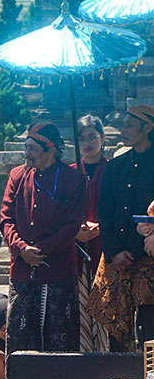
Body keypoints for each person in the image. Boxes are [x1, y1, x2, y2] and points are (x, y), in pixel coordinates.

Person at [0, 122, 87, 354]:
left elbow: (72, 225)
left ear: (50, 150)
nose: (26, 153)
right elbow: (5, 220)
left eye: (31, 148)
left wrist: (39, 251)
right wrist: (21, 249)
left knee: (60, 337)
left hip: (58, 269)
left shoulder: (74, 180)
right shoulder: (17, 176)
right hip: (22, 270)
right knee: (20, 337)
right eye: (25, 147)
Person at [89, 105, 154, 351]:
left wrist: (137, 248)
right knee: (116, 330)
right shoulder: (116, 167)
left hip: (148, 257)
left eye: (129, 124)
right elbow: (105, 213)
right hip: (117, 258)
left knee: (149, 327)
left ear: (147, 128)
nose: (123, 130)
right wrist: (114, 251)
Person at [72, 114, 109, 352]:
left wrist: (102, 227)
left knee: (105, 314)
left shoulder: (114, 171)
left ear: (102, 139)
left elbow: (121, 210)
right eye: (82, 138)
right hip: (76, 252)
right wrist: (75, 230)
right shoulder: (70, 173)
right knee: (80, 314)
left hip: (106, 252)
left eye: (93, 137)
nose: (88, 143)